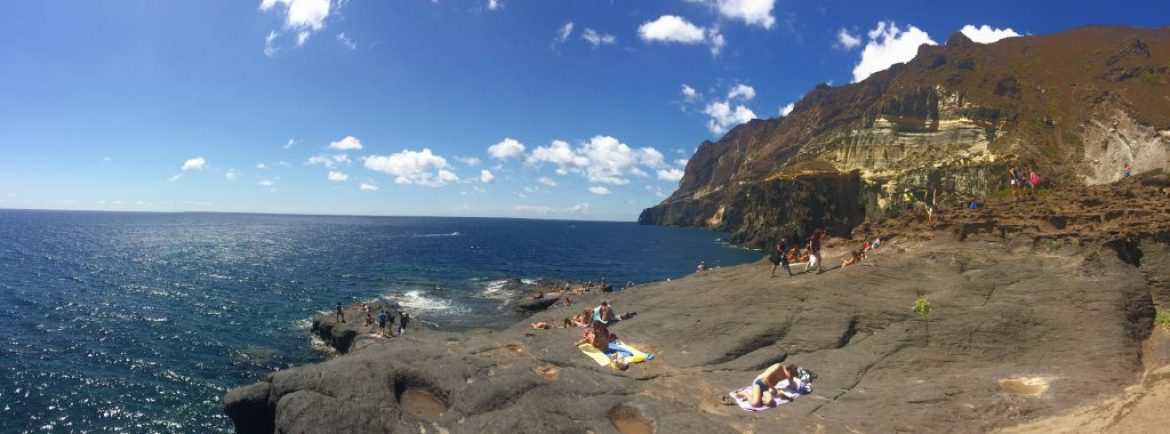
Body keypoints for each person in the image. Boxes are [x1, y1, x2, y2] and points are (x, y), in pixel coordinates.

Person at [737, 363, 806, 407]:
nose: (790, 377)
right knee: (755, 404)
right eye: (790, 375)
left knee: (771, 403)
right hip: (759, 383)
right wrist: (775, 390)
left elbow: (794, 386)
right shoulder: (778, 367)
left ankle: (755, 396)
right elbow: (764, 380)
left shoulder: (788, 375)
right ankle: (745, 394)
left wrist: (792, 380)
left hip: (766, 388)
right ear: (788, 370)